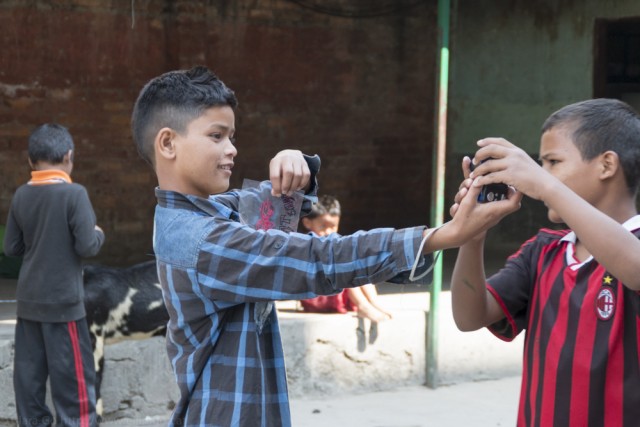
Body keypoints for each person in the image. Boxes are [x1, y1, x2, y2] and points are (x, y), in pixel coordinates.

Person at [130, 65, 518, 427]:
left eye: (232, 136)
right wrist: (443, 235)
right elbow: (316, 259)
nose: (231, 148)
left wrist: (295, 163)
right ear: (168, 143)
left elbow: (270, 203)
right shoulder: (199, 240)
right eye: (217, 136)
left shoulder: (207, 213)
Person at [450, 98, 640, 426]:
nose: (540, 174)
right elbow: (469, 317)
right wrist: (472, 236)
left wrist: (546, 186)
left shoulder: (630, 248)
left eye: (552, 162)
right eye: (541, 164)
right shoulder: (543, 251)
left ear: (607, 165)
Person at [3, 123, 105, 427]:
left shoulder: (21, 195)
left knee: (29, 380)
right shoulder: (74, 194)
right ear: (69, 156)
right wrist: (98, 233)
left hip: (29, 302)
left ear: (31, 162)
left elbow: (11, 247)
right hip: (64, 306)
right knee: (73, 383)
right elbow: (87, 245)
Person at [299, 195, 393, 323]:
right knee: (343, 268)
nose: (329, 232)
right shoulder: (309, 242)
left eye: (333, 227)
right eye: (323, 227)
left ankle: (374, 302)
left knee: (359, 268)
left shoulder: (336, 240)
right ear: (307, 223)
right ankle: (363, 306)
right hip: (319, 294)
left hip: (338, 293)